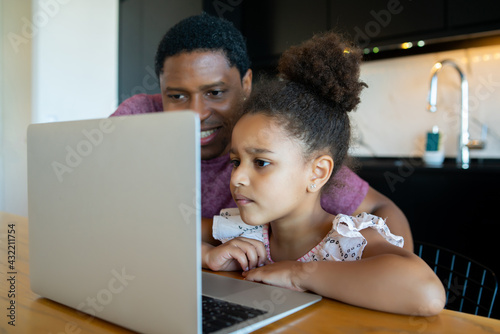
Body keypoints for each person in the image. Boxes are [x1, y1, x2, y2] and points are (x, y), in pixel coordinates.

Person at [111, 13, 414, 252]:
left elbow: (379, 209)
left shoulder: (272, 134)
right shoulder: (139, 119)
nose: (196, 114)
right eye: (176, 96)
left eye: (215, 92)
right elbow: (91, 208)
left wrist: (387, 275)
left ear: (246, 84)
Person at [203, 31, 445, 316]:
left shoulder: (349, 241)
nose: (237, 178)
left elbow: (427, 294)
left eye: (261, 162)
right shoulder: (246, 232)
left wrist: (300, 274)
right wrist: (206, 254)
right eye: (235, 162)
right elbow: (155, 236)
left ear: (317, 173)